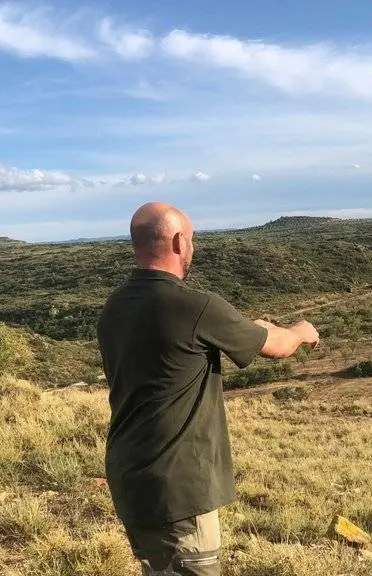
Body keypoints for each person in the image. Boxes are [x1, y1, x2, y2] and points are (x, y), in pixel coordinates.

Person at [96, 201, 319, 575]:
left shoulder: (115, 307)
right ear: (180, 242)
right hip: (178, 488)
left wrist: (252, 326)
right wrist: (300, 331)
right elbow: (277, 347)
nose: (193, 248)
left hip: (130, 477)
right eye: (193, 239)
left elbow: (179, 347)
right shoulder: (195, 307)